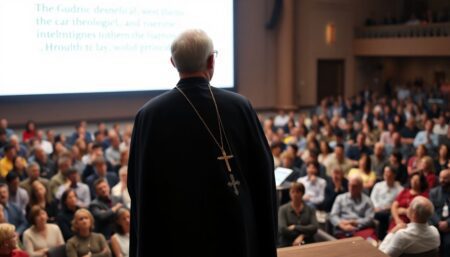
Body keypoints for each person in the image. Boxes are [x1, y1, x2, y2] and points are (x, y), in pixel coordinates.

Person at [128, 29, 277, 257]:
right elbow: (263, 176)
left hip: (175, 238)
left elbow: (139, 188)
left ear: (173, 63)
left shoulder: (149, 116)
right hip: (234, 236)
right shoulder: (239, 107)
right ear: (211, 60)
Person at [329, 174, 377, 240]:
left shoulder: (367, 201)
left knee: (372, 243)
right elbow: (333, 215)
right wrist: (341, 225)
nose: (351, 188)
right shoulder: (340, 198)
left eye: (354, 186)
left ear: (361, 187)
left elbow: (370, 219)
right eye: (349, 185)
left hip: (361, 228)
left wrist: (354, 222)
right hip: (343, 229)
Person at [278, 182, 318, 247]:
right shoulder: (283, 209)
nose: (295, 195)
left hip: (307, 241)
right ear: (289, 193)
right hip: (287, 242)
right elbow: (283, 230)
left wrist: (295, 228)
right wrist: (305, 232)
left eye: (297, 192)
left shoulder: (310, 209)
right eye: (292, 192)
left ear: (302, 193)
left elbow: (315, 227)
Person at [370, 166, 403, 239]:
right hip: (377, 209)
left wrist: (390, 207)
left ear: (394, 174)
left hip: (390, 211)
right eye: (385, 172)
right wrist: (376, 207)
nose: (386, 174)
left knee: (385, 215)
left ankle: (384, 238)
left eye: (388, 172)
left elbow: (399, 202)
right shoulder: (378, 185)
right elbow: (372, 198)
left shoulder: (399, 188)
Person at [429, 169, 450, 255]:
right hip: (435, 224)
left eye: (445, 178)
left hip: (449, 226)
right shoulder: (433, 192)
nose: (442, 180)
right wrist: (439, 222)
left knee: (448, 244)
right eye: (441, 177)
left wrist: (448, 223)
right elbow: (430, 210)